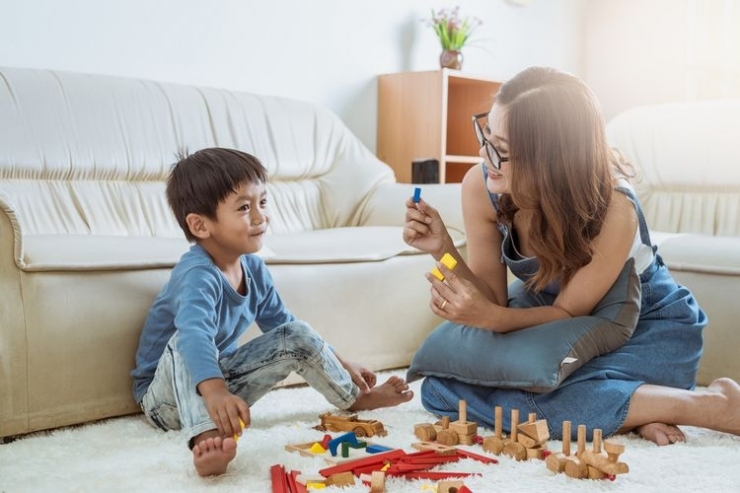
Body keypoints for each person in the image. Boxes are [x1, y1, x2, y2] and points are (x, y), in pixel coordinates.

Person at [403, 66, 740, 446]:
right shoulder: (482, 187)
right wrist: (443, 250)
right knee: (440, 390)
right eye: (487, 136)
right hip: (540, 319)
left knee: (536, 403)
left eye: (503, 151)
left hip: (643, 329)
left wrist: (494, 318)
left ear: (553, 160)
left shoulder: (614, 207)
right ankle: (633, 407)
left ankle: (708, 405)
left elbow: (567, 313)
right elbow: (492, 299)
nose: (485, 155)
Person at [132, 148, 412, 477]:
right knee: (186, 340)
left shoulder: (253, 266)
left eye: (262, 203)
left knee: (297, 333)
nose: (260, 217)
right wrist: (215, 391)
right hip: (167, 400)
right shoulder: (196, 274)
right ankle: (206, 436)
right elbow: (195, 338)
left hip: (220, 387)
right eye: (243, 208)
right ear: (200, 225)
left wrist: (339, 361)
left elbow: (284, 326)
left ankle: (354, 399)